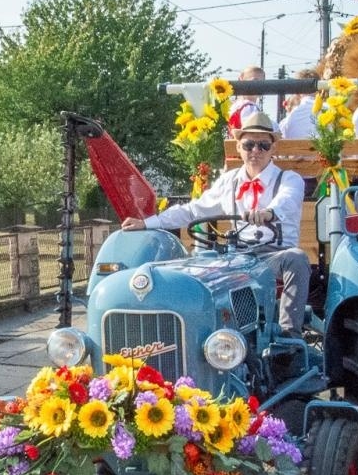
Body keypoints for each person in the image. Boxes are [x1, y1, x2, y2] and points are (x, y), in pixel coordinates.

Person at [122, 112, 311, 336]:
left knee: (296, 259)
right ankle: (200, 337)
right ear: (239, 147)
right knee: (197, 270)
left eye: (263, 145)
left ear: (273, 149)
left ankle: (289, 334)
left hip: (274, 256)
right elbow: (193, 210)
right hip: (237, 257)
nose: (255, 151)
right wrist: (148, 223)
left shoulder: (289, 179)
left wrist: (268, 213)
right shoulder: (229, 181)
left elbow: (286, 201)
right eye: (249, 145)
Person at [228, 65, 266, 130]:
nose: (258, 86)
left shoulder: (233, 106)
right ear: (241, 80)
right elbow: (253, 132)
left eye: (261, 82)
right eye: (254, 81)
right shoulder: (249, 108)